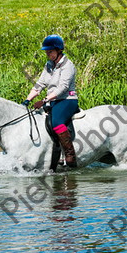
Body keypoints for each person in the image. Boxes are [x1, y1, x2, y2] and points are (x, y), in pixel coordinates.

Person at [22, 34, 78, 168]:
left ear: (58, 50)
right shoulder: (49, 65)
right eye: (47, 52)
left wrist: (44, 100)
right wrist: (27, 100)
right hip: (52, 101)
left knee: (57, 121)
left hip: (67, 100)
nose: (48, 54)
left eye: (50, 51)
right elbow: (40, 84)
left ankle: (70, 154)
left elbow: (62, 88)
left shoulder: (68, 66)